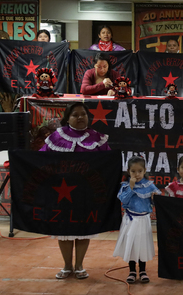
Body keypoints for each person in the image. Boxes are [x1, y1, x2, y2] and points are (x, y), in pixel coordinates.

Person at [39, 102, 111, 280]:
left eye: (83, 114)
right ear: (67, 118)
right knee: (64, 230)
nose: (80, 117)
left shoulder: (97, 138)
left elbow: (110, 162)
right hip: (61, 192)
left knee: (83, 228)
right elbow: (39, 158)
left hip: (87, 192)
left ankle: (79, 265)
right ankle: (67, 266)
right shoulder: (56, 137)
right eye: (75, 115)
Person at [113, 156, 161, 284]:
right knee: (132, 244)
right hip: (130, 219)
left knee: (142, 244)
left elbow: (157, 201)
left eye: (140, 171)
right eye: (133, 171)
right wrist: (131, 187)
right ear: (128, 171)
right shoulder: (125, 185)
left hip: (144, 219)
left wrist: (154, 197)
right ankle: (132, 271)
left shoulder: (149, 185)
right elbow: (123, 200)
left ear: (145, 170)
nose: (137, 174)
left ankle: (143, 271)